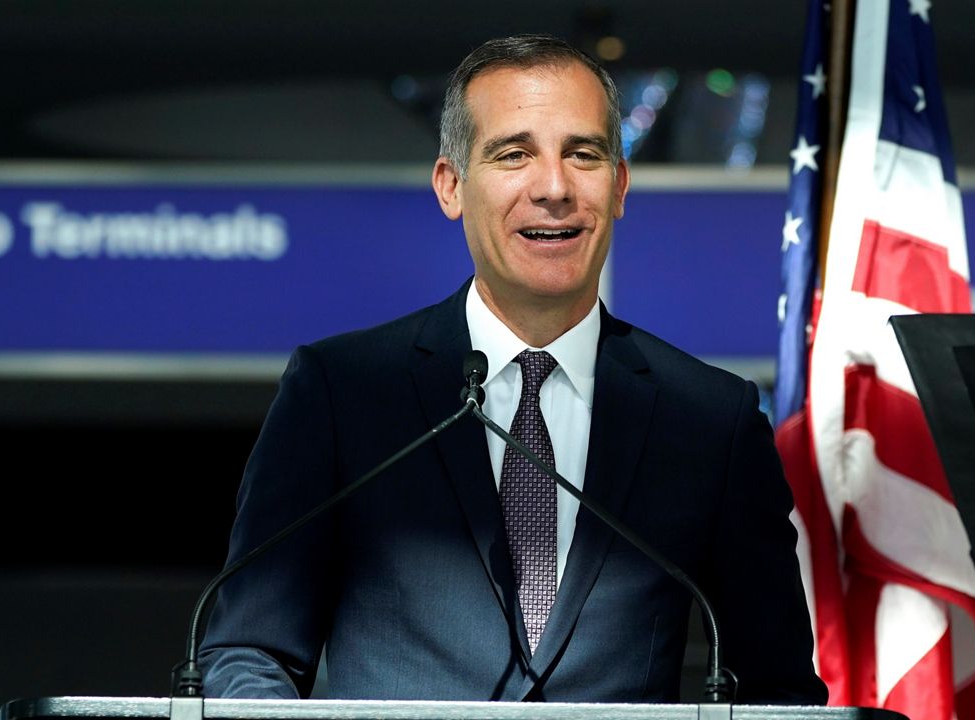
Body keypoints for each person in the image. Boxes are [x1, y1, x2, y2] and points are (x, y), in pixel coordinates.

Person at [199, 34, 826, 705]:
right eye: (514, 154)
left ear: (618, 185)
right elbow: (250, 651)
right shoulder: (340, 391)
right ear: (451, 186)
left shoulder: (711, 419)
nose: (554, 188)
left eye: (583, 155)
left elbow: (776, 692)